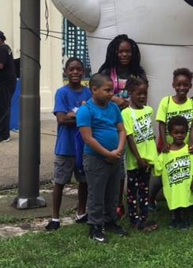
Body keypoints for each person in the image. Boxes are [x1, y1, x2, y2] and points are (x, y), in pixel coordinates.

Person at [98, 34, 147, 218]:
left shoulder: (138, 72)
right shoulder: (106, 72)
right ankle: (114, 203)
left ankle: (133, 202)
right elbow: (98, 94)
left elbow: (143, 95)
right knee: (115, 166)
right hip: (112, 124)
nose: (125, 54)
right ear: (115, 52)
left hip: (134, 125)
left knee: (132, 165)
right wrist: (116, 99)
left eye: (128, 51)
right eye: (121, 51)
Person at [77, 73, 127, 243]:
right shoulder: (86, 110)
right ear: (94, 89)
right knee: (96, 193)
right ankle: (95, 227)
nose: (111, 93)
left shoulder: (113, 108)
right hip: (96, 159)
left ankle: (110, 221)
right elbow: (87, 138)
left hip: (115, 156)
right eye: (107, 90)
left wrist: (118, 150)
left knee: (112, 192)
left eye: (111, 90)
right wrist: (107, 154)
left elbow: (121, 130)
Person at [45, 57, 91, 231]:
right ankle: (55, 218)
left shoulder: (88, 93)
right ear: (65, 72)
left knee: (84, 181)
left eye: (78, 69)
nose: (75, 72)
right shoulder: (61, 93)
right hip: (65, 147)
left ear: (83, 72)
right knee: (60, 182)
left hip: (84, 146)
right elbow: (62, 119)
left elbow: (91, 116)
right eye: (71, 69)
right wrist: (82, 118)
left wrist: (74, 114)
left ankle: (81, 213)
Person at [121, 77, 158, 232]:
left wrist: (150, 156)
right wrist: (138, 158)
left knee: (145, 190)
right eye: (138, 93)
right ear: (130, 93)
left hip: (148, 159)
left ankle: (144, 218)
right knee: (133, 192)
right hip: (135, 161)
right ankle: (134, 220)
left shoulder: (148, 110)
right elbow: (130, 137)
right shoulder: (126, 113)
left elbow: (149, 134)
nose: (142, 96)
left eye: (145, 93)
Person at [153, 116, 193, 230]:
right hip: (172, 184)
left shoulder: (189, 149)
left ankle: (186, 220)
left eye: (182, 132)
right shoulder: (166, 151)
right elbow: (158, 168)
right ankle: (175, 219)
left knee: (185, 202)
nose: (179, 135)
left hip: (186, 183)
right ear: (170, 134)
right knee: (173, 201)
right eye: (176, 132)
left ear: (186, 133)